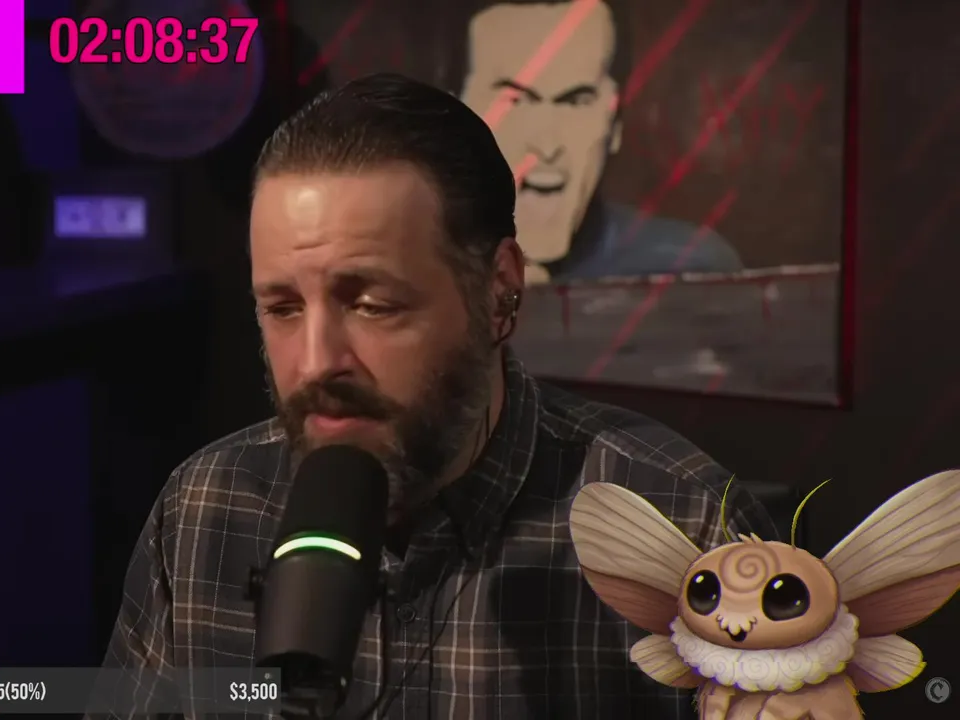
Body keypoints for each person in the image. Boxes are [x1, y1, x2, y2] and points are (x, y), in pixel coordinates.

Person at [98, 73, 776, 718]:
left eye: (371, 304)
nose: (315, 364)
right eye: (282, 308)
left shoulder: (687, 533)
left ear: (499, 293)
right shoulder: (199, 513)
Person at [457, 0, 743, 282]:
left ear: (615, 124)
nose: (547, 146)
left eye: (577, 101)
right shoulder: (431, 274)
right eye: (515, 101)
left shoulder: (689, 270)